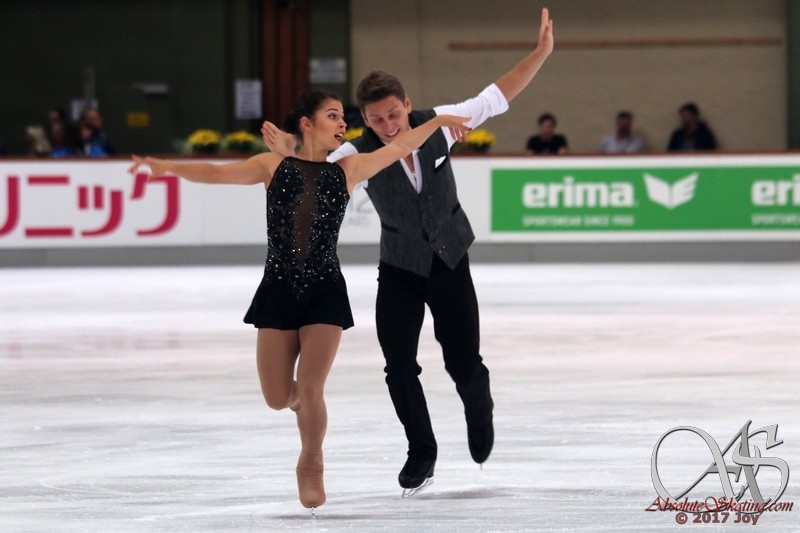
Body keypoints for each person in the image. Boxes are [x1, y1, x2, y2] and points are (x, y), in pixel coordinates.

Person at [129, 91, 470, 510]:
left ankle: (311, 462)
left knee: (310, 389)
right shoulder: (272, 165)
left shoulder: (349, 169)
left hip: (325, 292)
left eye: (343, 118)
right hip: (278, 289)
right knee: (277, 397)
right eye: (333, 116)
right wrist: (165, 167)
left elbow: (400, 147)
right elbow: (216, 174)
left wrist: (437, 122)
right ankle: (299, 408)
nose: (342, 124)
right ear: (307, 123)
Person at [264, 6, 554, 496]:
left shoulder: (440, 124)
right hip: (399, 267)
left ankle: (478, 407)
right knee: (398, 366)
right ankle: (422, 450)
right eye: (376, 119)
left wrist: (541, 52)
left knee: (463, 363)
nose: (388, 126)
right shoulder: (356, 153)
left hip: (449, 260)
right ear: (364, 119)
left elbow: (498, 95)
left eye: (394, 114)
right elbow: (314, 169)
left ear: (407, 105)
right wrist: (288, 152)